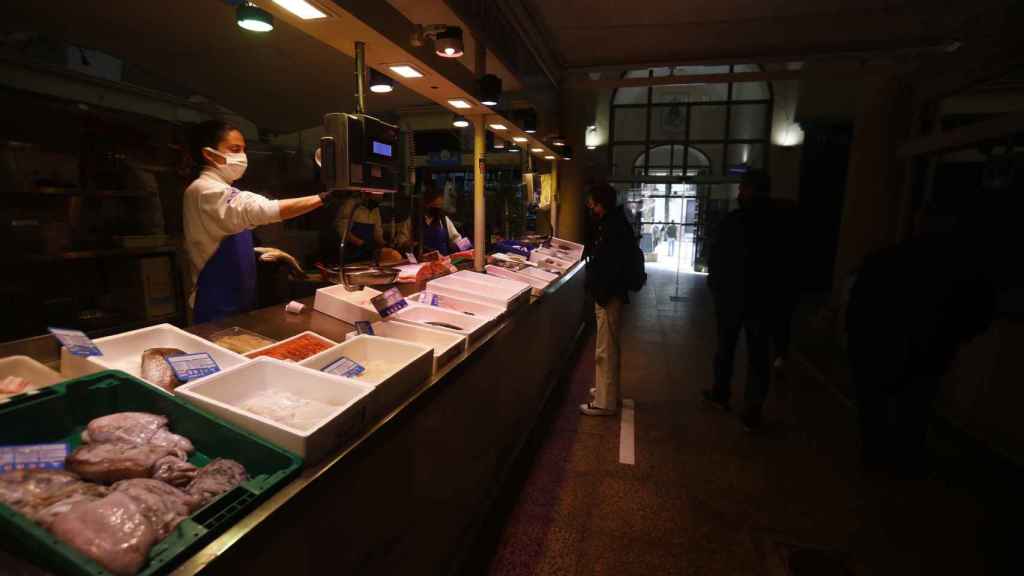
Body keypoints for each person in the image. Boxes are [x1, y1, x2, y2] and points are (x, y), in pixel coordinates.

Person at [183, 120, 331, 324]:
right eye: (235, 149)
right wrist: (324, 198)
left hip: (239, 295)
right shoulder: (205, 189)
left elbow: (218, 236)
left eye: (243, 149)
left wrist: (258, 251)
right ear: (209, 154)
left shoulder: (221, 189)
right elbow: (263, 209)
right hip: (216, 300)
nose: (242, 156)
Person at [703, 170, 777, 431]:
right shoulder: (778, 223)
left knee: (726, 346)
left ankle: (721, 393)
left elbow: (718, 255)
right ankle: (752, 408)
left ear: (747, 190)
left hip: (732, 297)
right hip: (763, 298)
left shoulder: (734, 221)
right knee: (758, 354)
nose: (738, 193)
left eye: (742, 188)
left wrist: (716, 284)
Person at [581, 184, 634, 417]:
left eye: (592, 201)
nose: (590, 206)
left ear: (601, 202)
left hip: (608, 294)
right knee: (608, 345)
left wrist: (600, 291)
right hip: (610, 293)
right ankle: (607, 391)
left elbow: (609, 265)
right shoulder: (614, 223)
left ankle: (605, 401)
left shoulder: (612, 228)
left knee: (606, 348)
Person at [335, 192, 386, 262]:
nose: (377, 202)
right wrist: (362, 244)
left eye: (379, 200)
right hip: (350, 253)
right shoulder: (351, 205)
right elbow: (342, 230)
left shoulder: (375, 209)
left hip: (367, 255)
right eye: (375, 199)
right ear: (366, 195)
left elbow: (377, 231)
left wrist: (384, 244)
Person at [421, 184, 463, 256]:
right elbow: (403, 242)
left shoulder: (444, 220)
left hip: (442, 261)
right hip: (420, 262)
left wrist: (465, 245)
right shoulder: (415, 221)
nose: (437, 209)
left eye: (439, 206)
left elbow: (456, 239)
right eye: (434, 206)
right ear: (426, 205)